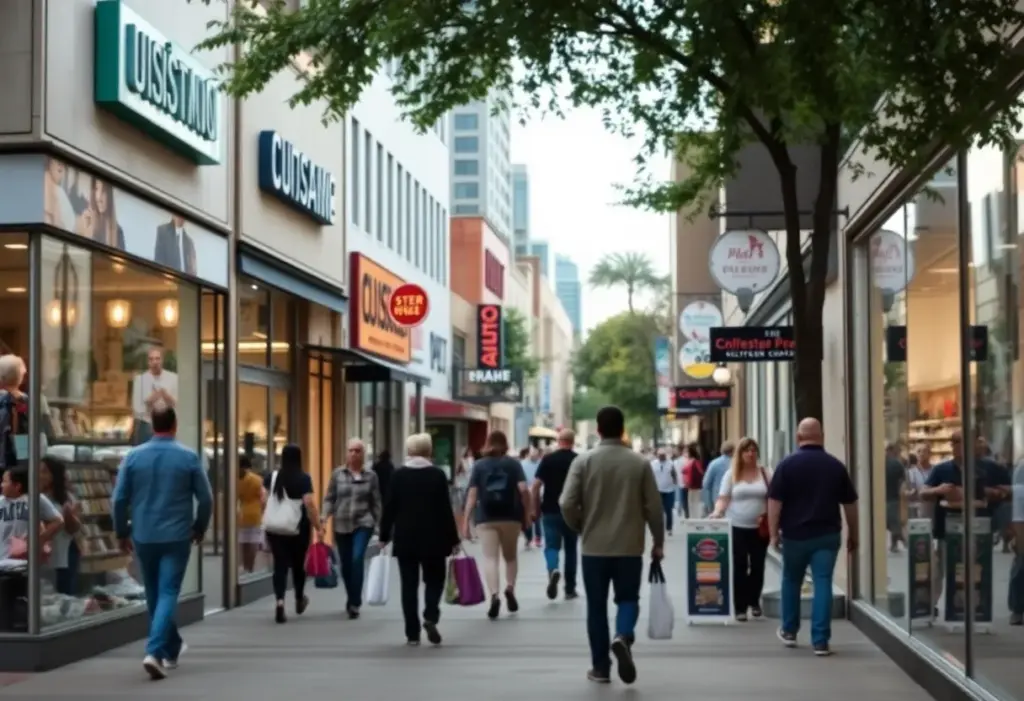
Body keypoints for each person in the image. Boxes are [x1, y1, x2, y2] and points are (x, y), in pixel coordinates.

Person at [560, 406, 665, 685]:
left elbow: (566, 503)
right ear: (622, 429)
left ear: (598, 429)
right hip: (630, 546)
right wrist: (658, 541)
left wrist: (580, 525)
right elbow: (654, 508)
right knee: (628, 599)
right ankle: (623, 634)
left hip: (594, 548)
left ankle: (601, 668)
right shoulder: (639, 463)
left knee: (596, 607)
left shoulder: (583, 461)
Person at [112, 405, 212, 680]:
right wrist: (199, 526)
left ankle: (172, 647)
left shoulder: (133, 457)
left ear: (152, 425)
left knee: (154, 593)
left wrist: (121, 532)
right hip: (177, 534)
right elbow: (206, 498)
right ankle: (154, 651)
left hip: (144, 534)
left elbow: (119, 499)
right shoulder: (188, 457)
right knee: (168, 592)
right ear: (174, 425)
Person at [768, 418, 858, 656]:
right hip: (826, 536)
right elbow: (850, 504)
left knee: (791, 580)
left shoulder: (786, 465)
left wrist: (772, 533)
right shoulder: (835, 466)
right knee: (823, 583)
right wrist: (854, 533)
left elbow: (774, 503)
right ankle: (820, 640)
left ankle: (789, 630)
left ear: (799, 438)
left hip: (795, 536)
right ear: (822, 436)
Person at [379, 433, 461, 645]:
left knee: (409, 585)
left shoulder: (398, 476)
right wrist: (454, 539)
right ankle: (430, 615)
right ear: (429, 450)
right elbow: (445, 510)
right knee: (435, 580)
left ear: (409, 450)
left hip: (406, 538)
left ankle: (412, 633)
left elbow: (390, 508)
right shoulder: (437, 475)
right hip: (434, 538)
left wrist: (384, 535)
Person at [921, 430, 1010, 621]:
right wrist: (940, 490)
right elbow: (924, 492)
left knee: (976, 568)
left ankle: (975, 607)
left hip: (979, 528)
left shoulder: (990, 468)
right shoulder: (942, 469)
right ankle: (931, 605)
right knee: (941, 569)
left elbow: (1008, 492)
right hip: (947, 527)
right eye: (953, 442)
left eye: (959, 441)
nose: (955, 446)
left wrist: (992, 493)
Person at [463, 430, 530, 619]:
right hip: (511, 516)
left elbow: (472, 495)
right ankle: (510, 588)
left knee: (490, 558)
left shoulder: (479, 465)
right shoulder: (514, 464)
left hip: (486, 518)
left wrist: (466, 521)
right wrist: (528, 512)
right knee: (510, 557)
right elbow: (524, 489)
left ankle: (494, 595)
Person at [710, 437, 770, 621]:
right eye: (747, 451)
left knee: (758, 566)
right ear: (740, 453)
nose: (751, 454)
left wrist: (768, 514)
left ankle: (754, 601)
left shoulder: (766, 473)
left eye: (753, 450)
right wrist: (717, 511)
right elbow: (723, 497)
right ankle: (740, 607)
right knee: (740, 566)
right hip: (737, 526)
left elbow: (774, 498)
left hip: (760, 528)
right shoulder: (731, 474)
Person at [322, 437, 382, 619]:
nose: (354, 454)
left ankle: (355, 602)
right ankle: (351, 596)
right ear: (346, 453)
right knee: (345, 564)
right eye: (351, 450)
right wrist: (324, 517)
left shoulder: (371, 476)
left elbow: (376, 502)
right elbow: (329, 498)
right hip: (341, 523)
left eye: (358, 451)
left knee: (357, 559)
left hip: (363, 523)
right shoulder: (337, 474)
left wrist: (381, 528)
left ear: (363, 454)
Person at [263, 444, 322, 624]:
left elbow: (262, 499)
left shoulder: (271, 477)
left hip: (275, 528)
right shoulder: (303, 478)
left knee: (279, 565)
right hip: (298, 528)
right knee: (298, 564)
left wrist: (270, 514)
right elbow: (309, 504)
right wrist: (318, 526)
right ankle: (298, 597)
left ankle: (280, 602)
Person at [531, 428, 579, 600]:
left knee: (551, 546)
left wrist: (534, 508)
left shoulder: (548, 460)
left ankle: (553, 568)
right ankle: (570, 589)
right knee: (571, 549)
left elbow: (535, 486)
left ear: (559, 441)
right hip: (572, 512)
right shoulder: (578, 460)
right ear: (572, 442)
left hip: (550, 509)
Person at [40, 456, 81, 595]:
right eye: (38, 471)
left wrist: (68, 515)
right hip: (42, 554)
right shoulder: (33, 496)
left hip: (64, 552)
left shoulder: (67, 498)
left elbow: (73, 529)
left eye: (44, 471)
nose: (40, 475)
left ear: (54, 475)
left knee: (64, 593)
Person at [130, 347, 179, 446]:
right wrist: (151, 399)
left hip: (168, 425)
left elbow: (177, 404)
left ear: (162, 360)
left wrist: (165, 395)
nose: (154, 362)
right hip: (147, 424)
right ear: (148, 362)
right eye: (151, 359)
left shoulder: (173, 378)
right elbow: (136, 408)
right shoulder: (140, 380)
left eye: (157, 358)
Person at [236, 455, 263, 574]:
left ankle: (245, 565)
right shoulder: (257, 479)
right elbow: (262, 498)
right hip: (255, 512)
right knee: (253, 541)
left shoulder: (236, 480)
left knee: (244, 542)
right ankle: (250, 567)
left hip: (243, 513)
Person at [701, 441, 735, 516]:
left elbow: (706, 484)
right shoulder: (736, 464)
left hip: (717, 499)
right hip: (734, 500)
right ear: (733, 451)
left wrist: (707, 503)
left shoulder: (714, 463)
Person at [884, 442, 906, 552]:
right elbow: (903, 481)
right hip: (894, 497)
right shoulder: (898, 464)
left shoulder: (880, 463)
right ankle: (901, 540)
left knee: (891, 522)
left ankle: (896, 543)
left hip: (883, 498)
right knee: (894, 522)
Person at [649, 449, 678, 536]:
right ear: (657, 455)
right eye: (660, 455)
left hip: (669, 490)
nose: (662, 457)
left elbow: (674, 474)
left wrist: (675, 481)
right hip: (657, 490)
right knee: (658, 511)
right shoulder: (653, 464)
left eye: (663, 455)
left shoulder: (670, 463)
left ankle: (669, 528)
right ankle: (659, 528)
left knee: (668, 509)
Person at [519, 446, 543, 548]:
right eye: (533, 454)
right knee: (526, 514)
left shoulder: (540, 463)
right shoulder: (522, 464)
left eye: (537, 455)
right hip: (526, 491)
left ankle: (538, 537)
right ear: (529, 454)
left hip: (538, 492)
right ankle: (528, 537)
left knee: (537, 515)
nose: (536, 456)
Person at [681, 443, 705, 519]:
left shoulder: (694, 461)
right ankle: (692, 518)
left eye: (686, 452)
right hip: (689, 486)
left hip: (694, 486)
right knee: (690, 504)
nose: (685, 453)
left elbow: (701, 472)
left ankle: (695, 519)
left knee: (694, 504)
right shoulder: (689, 461)